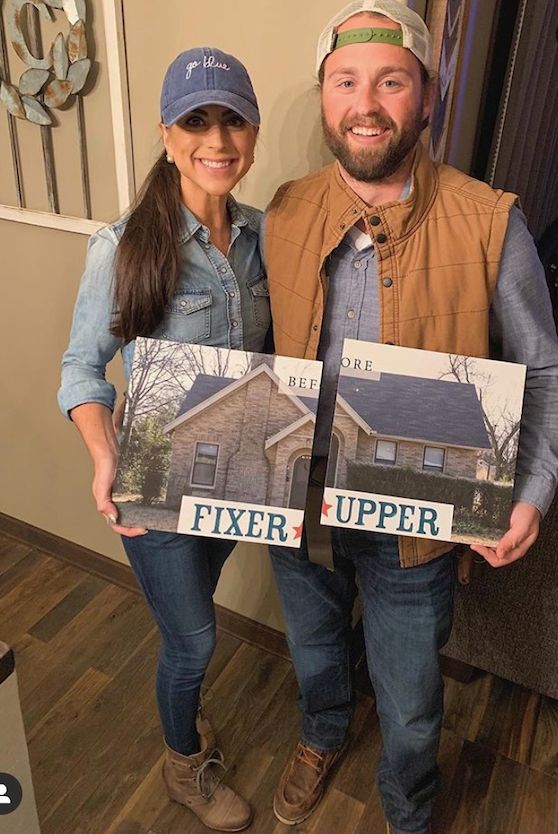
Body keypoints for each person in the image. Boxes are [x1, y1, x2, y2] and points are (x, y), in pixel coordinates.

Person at [263, 3, 558, 833]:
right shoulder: (282, 213)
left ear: (427, 96)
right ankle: (322, 735)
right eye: (346, 81)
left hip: (413, 524)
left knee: (412, 697)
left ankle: (408, 806)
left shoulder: (492, 222)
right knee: (316, 651)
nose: (367, 103)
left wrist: (530, 489)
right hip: (299, 505)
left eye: (391, 81)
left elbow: (544, 369)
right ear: (324, 97)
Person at [58, 47, 268, 832]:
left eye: (232, 120)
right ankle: (185, 765)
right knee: (193, 640)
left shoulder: (260, 236)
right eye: (196, 120)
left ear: (252, 131)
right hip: (155, 486)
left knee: (196, 619)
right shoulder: (125, 245)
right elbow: (82, 366)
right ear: (167, 133)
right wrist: (106, 455)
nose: (216, 139)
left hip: (236, 478)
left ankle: (189, 724)